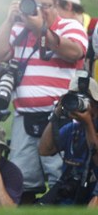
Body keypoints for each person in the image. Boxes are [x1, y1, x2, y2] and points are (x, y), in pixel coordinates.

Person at [0, 0, 88, 203]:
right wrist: (8, 19)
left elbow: (74, 52)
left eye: (47, 5)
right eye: (35, 4)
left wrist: (40, 29)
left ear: (55, 6)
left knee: (60, 176)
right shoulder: (18, 29)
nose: (41, 10)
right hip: (24, 116)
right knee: (21, 179)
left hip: (60, 117)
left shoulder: (70, 26)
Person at [39, 75, 98, 205]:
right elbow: (44, 150)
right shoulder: (72, 128)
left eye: (86, 100)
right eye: (74, 98)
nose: (78, 104)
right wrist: (56, 114)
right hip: (72, 189)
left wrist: (88, 123)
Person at [54, 0, 98, 74]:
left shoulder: (95, 27)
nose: (48, 11)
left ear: (68, 5)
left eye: (53, 6)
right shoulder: (51, 29)